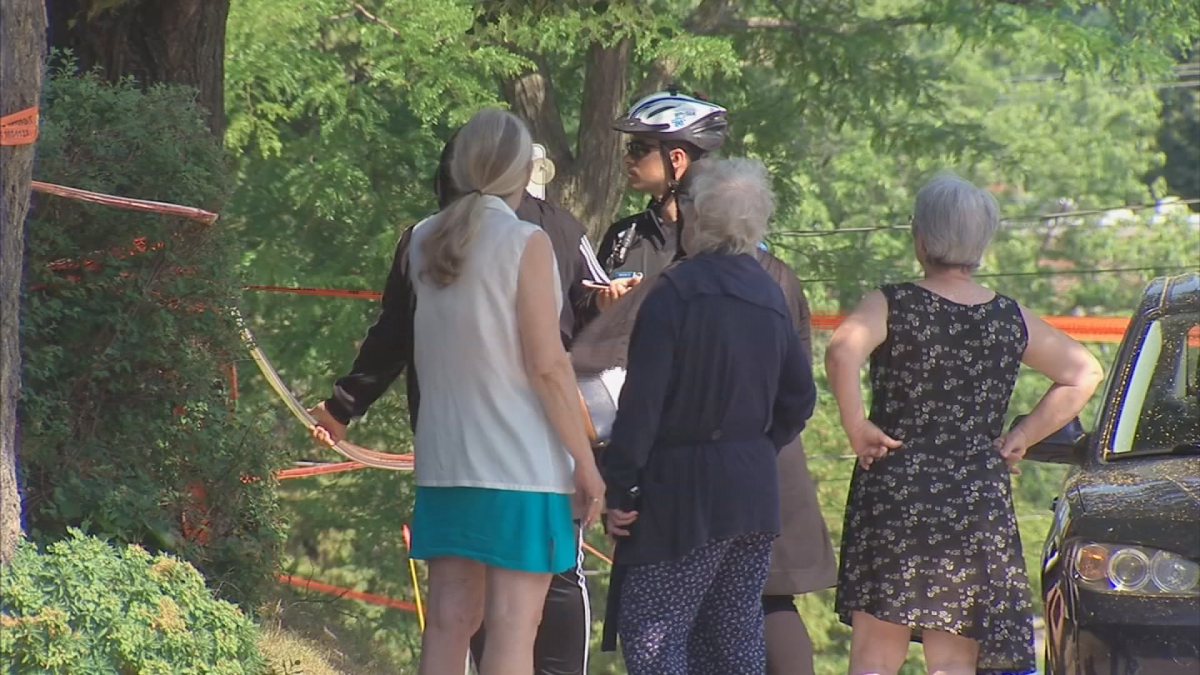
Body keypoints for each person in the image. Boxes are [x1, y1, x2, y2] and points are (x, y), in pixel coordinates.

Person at [308, 125, 616, 675]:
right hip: (523, 468)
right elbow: (548, 366)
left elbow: (390, 337)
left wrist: (341, 406)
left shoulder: (421, 239)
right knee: (514, 632)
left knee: (450, 621)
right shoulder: (528, 242)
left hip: (446, 461)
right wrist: (587, 463)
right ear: (524, 174)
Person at [826, 172, 1104, 675]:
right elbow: (1084, 372)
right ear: (982, 243)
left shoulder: (893, 302)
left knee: (874, 652)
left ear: (920, 237)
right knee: (955, 656)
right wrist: (1021, 437)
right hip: (974, 495)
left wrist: (856, 426)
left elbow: (842, 349)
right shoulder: (1006, 316)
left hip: (896, 485)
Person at [570, 157, 838, 675]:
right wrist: (758, 444)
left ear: (697, 217)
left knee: (656, 636)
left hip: (681, 491)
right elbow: (799, 398)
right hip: (754, 491)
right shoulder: (769, 291)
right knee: (735, 636)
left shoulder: (674, 293)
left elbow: (641, 404)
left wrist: (620, 487)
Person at [597, 87, 728, 278]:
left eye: (638, 149)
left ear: (676, 159)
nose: (627, 158)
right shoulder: (621, 236)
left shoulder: (725, 244)